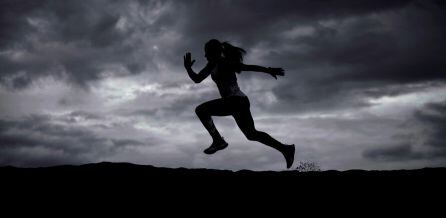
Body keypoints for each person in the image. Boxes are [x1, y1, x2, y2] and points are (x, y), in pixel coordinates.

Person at [183, 39, 295, 169]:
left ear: (214, 53)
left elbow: (247, 67)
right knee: (251, 134)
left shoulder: (225, 63)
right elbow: (197, 79)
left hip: (236, 101)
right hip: (237, 103)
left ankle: (218, 141)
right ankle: (286, 149)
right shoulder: (211, 65)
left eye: (207, 53)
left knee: (201, 110)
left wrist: (268, 70)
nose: (205, 56)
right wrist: (188, 68)